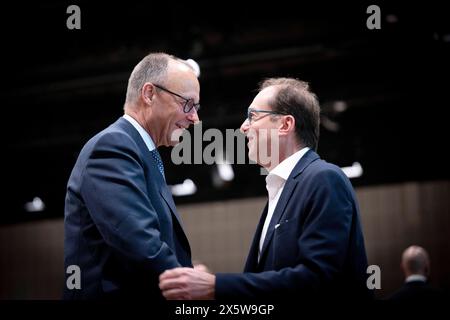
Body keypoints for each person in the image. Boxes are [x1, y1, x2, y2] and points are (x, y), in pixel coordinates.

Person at [159, 77, 371, 301]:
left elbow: (318, 279)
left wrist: (216, 286)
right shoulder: (282, 189)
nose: (243, 127)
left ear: (285, 125)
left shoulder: (323, 178)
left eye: (253, 116)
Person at [64, 52, 200, 299]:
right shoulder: (114, 146)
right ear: (149, 94)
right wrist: (191, 287)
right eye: (188, 104)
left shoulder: (138, 150)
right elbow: (141, 245)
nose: (195, 118)